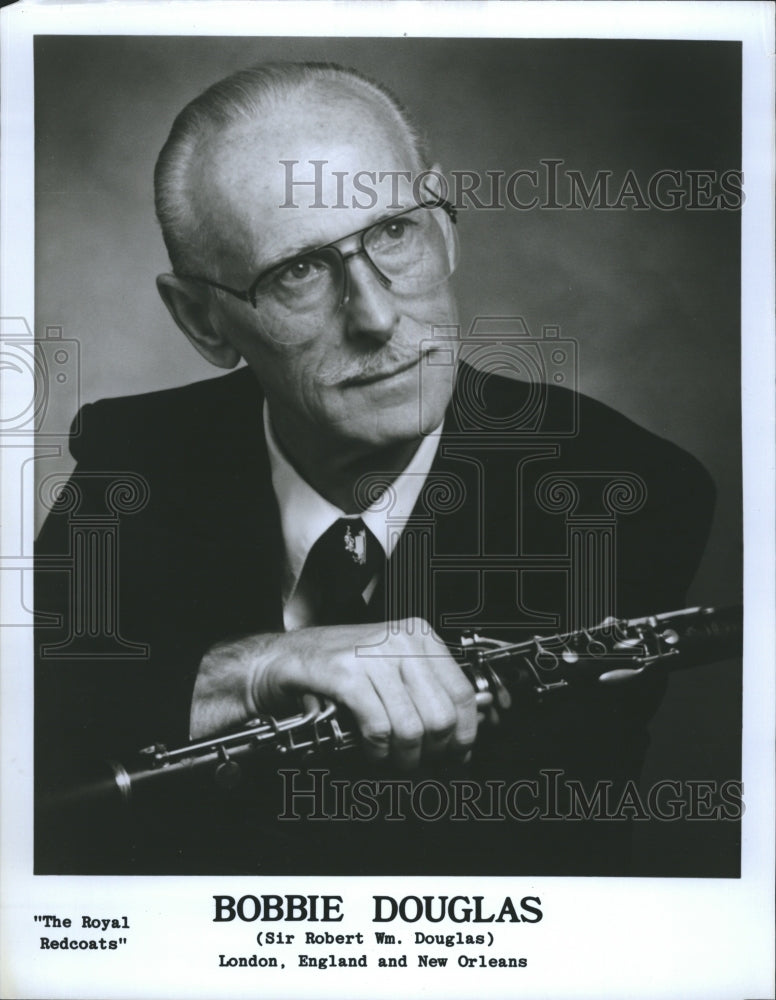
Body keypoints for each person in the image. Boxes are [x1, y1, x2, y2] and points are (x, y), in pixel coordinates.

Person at [34, 61, 715, 875]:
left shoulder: (625, 491)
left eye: (395, 231)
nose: (378, 315)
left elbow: (509, 851)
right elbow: (33, 726)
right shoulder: (135, 459)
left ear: (446, 227)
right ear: (201, 319)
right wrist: (256, 668)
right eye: (298, 270)